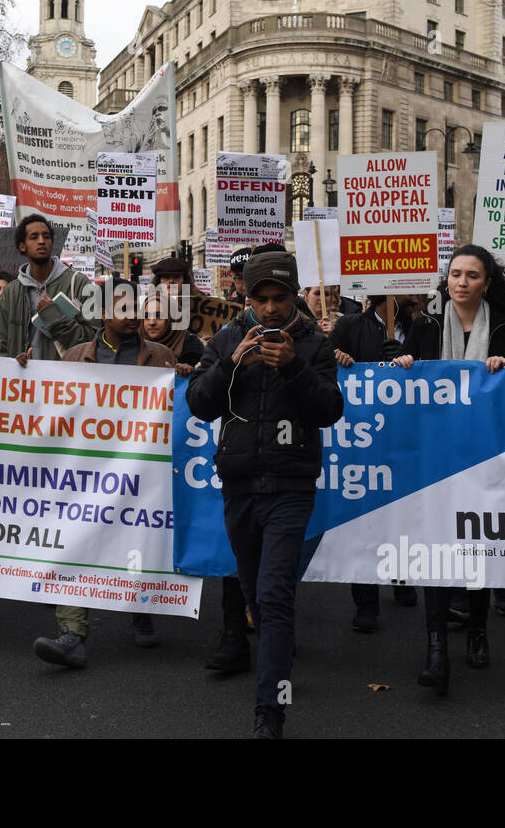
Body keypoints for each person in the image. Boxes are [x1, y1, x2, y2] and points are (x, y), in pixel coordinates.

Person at [185, 250, 344, 738]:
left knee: (275, 595)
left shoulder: (314, 344)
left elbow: (329, 411)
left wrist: (295, 367)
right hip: (239, 485)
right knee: (255, 595)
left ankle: (269, 713)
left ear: (295, 295)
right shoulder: (228, 338)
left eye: (280, 298)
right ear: (245, 296)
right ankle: (277, 647)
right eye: (261, 298)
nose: (271, 309)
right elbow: (200, 405)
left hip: (291, 486)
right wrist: (230, 365)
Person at [393, 244, 505, 695]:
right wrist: (402, 365)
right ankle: (436, 645)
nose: (462, 282)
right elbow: (408, 377)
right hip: (437, 455)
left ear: (486, 282)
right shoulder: (426, 325)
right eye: (455, 274)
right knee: (438, 545)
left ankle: (477, 628)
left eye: (472, 275)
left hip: (489, 451)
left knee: (474, 544)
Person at [32, 278, 177, 667]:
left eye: (136, 307)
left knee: (136, 539)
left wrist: (183, 378)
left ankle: (141, 607)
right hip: (85, 472)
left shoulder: (160, 354)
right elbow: (51, 405)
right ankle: (71, 635)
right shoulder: (76, 356)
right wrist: (22, 374)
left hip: (141, 472)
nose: (133, 316)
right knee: (73, 540)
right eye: (123, 308)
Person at [330, 295, 416, 629]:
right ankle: (364, 598)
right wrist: (339, 358)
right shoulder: (349, 325)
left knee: (404, 509)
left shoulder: (422, 325)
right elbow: (325, 365)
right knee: (363, 515)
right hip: (363, 435)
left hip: (406, 431)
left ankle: (401, 574)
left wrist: (414, 361)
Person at [0, 215, 98, 364]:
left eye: (46, 236)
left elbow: (93, 341)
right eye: (34, 237)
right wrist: (11, 365)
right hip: (23, 381)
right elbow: (3, 347)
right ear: (22, 246)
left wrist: (54, 317)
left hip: (63, 381)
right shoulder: (11, 293)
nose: (42, 241)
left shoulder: (79, 284)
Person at [139, 288, 204, 376]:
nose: (151, 322)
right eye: (146, 316)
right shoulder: (133, 344)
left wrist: (188, 371)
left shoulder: (192, 347)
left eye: (159, 316)